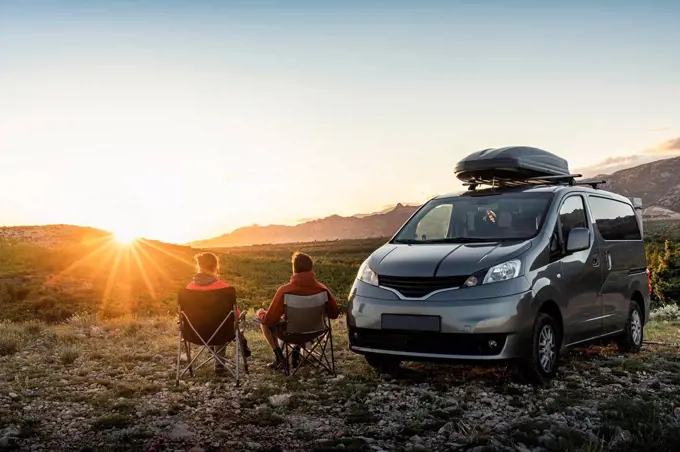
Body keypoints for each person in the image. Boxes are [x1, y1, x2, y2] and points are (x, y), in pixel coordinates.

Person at [257, 251, 340, 369]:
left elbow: (270, 320)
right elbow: (334, 314)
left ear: (294, 269)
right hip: (316, 332)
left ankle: (279, 357)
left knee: (265, 323)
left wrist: (261, 313)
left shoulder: (285, 291)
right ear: (311, 268)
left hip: (291, 334)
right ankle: (296, 350)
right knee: (304, 319)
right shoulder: (323, 289)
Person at [186, 252, 240, 375]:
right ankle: (219, 365)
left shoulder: (188, 289)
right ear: (216, 267)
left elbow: (182, 315)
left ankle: (211, 350)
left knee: (215, 325)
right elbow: (235, 315)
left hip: (195, 332)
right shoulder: (225, 289)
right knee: (222, 324)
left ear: (199, 267)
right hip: (220, 333)